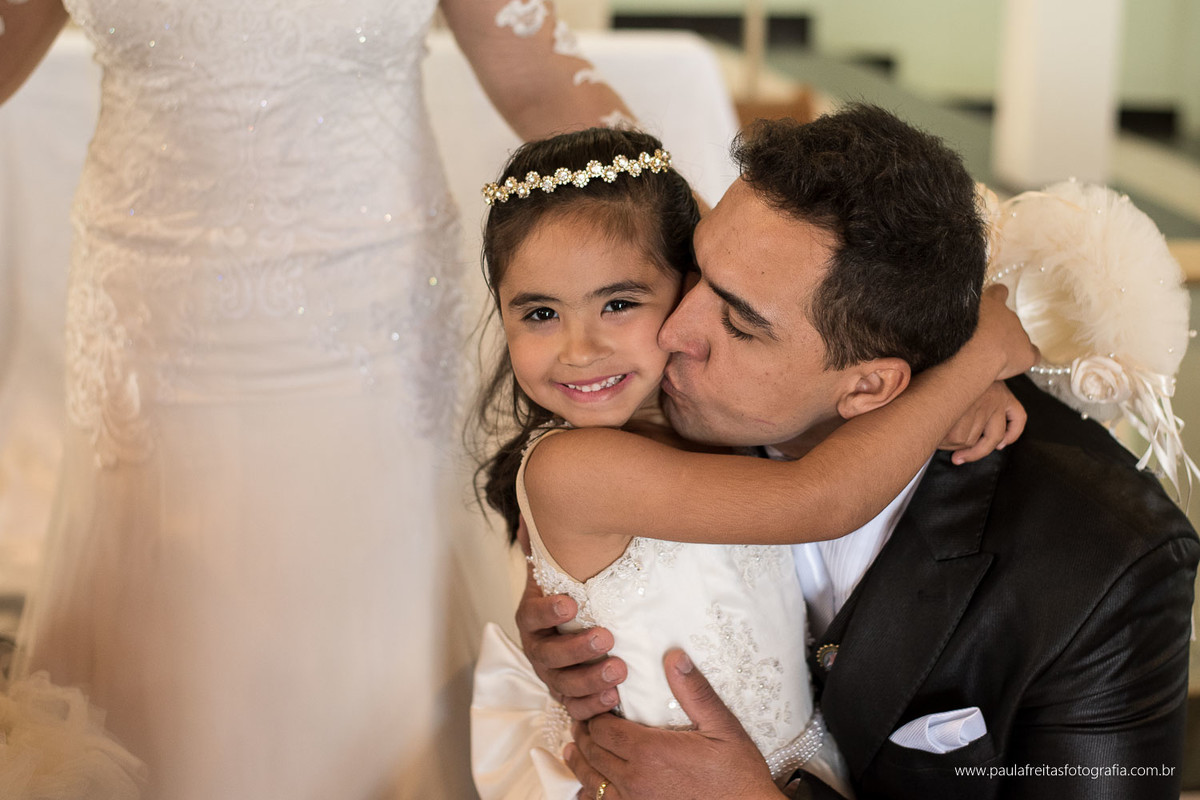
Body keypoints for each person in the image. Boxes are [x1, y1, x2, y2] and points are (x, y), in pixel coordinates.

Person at [0, 1, 646, 798]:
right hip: (150, 332)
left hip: (370, 322)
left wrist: (705, 260)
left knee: (363, 619)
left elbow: (539, 81)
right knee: (166, 627)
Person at [517, 105, 1200, 800]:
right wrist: (577, 611)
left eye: (740, 323)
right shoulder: (635, 414)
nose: (671, 332)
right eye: (695, 270)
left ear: (871, 387)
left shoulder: (1107, 564)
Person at [469, 126, 1036, 799]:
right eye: (539, 314)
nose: (579, 349)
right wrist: (976, 358)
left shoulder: (718, 412)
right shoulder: (574, 469)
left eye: (618, 304)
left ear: (680, 284)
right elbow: (819, 499)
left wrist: (946, 378)